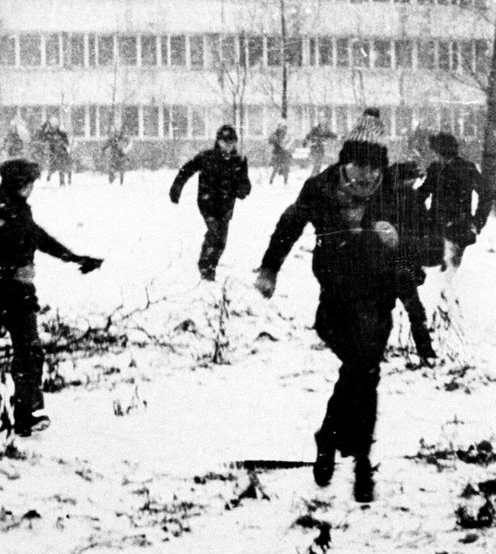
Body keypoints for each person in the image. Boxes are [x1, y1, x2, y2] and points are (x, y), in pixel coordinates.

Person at [254, 128, 397, 503]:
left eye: (374, 168)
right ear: (344, 162)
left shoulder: (390, 193)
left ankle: (334, 439)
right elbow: (290, 225)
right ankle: (360, 458)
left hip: (379, 300)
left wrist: (399, 240)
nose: (367, 176)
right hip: (336, 301)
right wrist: (270, 269)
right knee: (362, 370)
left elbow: (423, 246)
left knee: (363, 372)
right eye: (359, 166)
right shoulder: (320, 188)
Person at [0, 158, 103, 436]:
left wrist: (74, 257)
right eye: (27, 184)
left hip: (18, 295)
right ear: (15, 184)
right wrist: (10, 271)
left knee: (30, 351)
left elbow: (39, 238)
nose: (31, 188)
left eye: (32, 183)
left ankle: (28, 414)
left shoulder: (20, 210)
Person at [169, 124, 252, 282]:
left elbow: (245, 183)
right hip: (207, 203)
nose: (228, 146)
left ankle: (211, 265)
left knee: (221, 241)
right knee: (215, 234)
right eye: (224, 142)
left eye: (231, 142)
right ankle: (205, 267)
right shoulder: (207, 157)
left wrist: (243, 190)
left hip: (227, 206)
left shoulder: (239, 161)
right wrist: (176, 188)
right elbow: (187, 170)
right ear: (218, 142)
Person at [419, 131, 489, 286]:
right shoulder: (437, 169)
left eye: (436, 152)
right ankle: (444, 300)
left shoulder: (465, 168)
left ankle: (447, 301)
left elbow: (487, 194)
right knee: (440, 275)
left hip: (457, 229)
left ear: (441, 152)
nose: (435, 156)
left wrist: (477, 222)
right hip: (439, 229)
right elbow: (421, 195)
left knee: (448, 276)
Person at [382, 160, 436, 364]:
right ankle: (426, 353)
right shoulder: (410, 199)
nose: (414, 183)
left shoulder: (385, 198)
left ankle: (375, 351)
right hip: (399, 264)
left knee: (384, 311)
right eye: (411, 179)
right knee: (413, 310)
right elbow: (423, 232)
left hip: (391, 265)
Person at [268, 119, 295, 184]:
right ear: (279, 126)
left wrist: (287, 142)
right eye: (281, 126)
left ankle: (285, 181)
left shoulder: (284, 134)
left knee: (285, 168)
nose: (283, 128)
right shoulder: (275, 134)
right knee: (276, 168)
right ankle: (271, 181)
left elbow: (286, 143)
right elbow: (272, 142)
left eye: (284, 126)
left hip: (284, 153)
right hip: (278, 153)